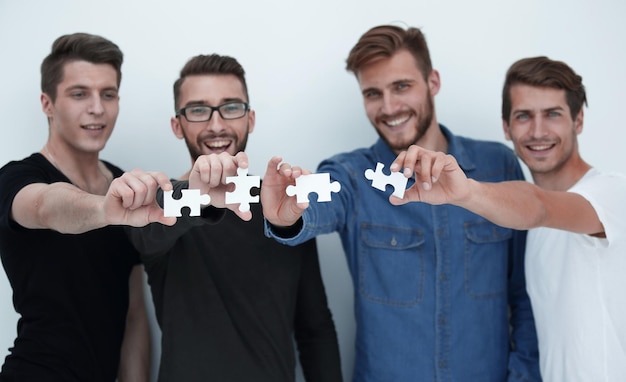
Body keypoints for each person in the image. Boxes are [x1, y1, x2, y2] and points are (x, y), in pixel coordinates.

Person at [260, 24, 541, 381]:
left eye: (402, 87)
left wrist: (525, 375)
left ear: (433, 82)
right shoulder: (350, 174)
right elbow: (317, 206)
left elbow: (525, 293)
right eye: (373, 93)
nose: (389, 107)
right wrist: (287, 218)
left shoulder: (497, 165)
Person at [391, 56, 626, 381]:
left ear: (579, 120)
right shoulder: (535, 230)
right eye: (524, 116)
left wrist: (466, 192)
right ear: (506, 126)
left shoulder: (612, 194)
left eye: (553, 114)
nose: (538, 131)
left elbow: (540, 205)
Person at [127, 54, 342, 382]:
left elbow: (315, 329)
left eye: (230, 107)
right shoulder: (160, 202)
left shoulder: (282, 204)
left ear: (250, 119)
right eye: (198, 110)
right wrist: (202, 194)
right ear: (177, 125)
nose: (216, 125)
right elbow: (147, 234)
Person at [0, 33, 177, 381]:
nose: (97, 108)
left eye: (108, 94)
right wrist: (105, 210)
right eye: (79, 94)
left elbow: (134, 314)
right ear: (47, 104)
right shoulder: (17, 178)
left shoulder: (123, 182)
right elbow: (45, 206)